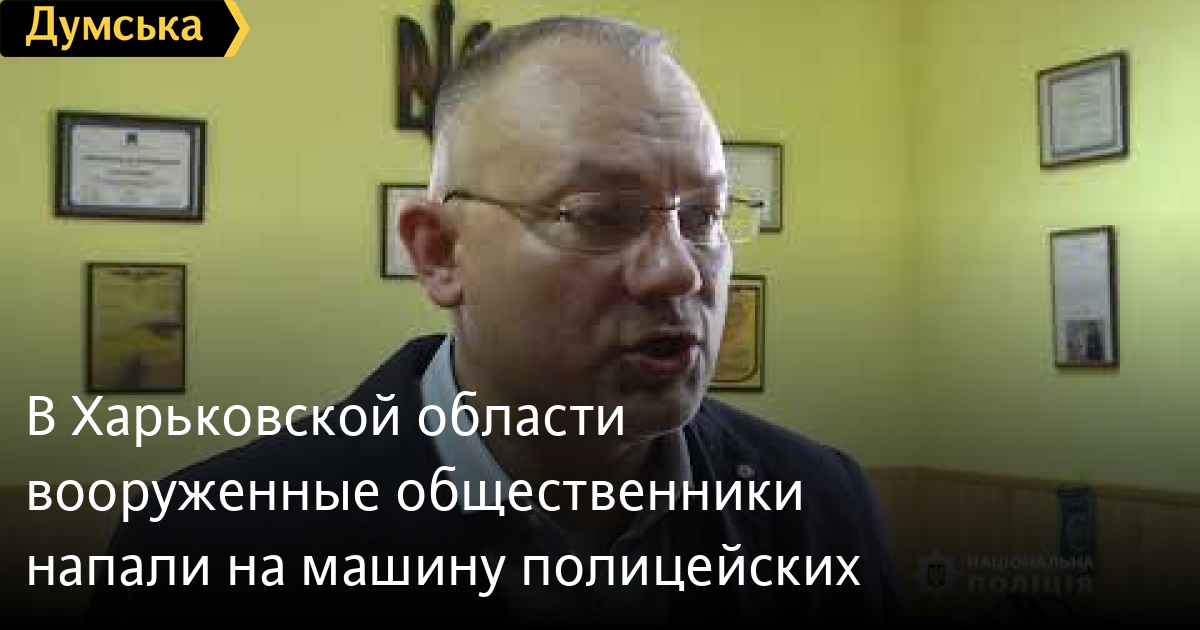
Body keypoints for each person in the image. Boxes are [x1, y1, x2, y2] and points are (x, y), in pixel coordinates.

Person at [88, 16, 899, 625]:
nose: (680, 270)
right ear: (439, 253)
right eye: (602, 214)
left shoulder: (822, 504)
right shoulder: (207, 546)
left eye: (704, 216)